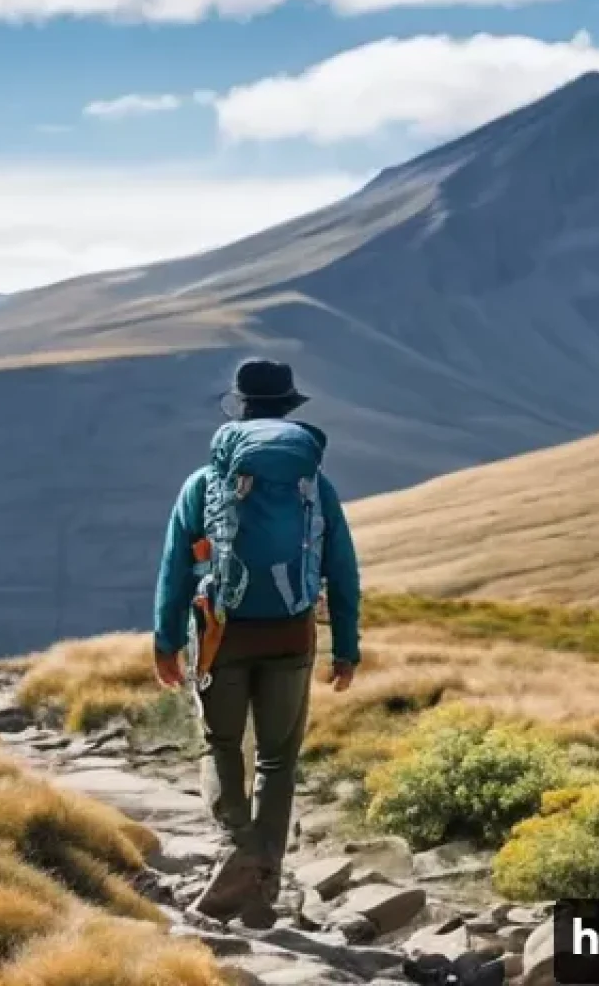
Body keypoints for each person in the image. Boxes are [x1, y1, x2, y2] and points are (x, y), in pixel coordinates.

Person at [152, 358, 361, 927]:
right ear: (289, 412)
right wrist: (346, 649)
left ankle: (239, 848)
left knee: (220, 747)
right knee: (277, 761)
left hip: (222, 633)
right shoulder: (314, 486)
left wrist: (165, 642)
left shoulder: (204, 484)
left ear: (240, 411)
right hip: (292, 634)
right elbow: (342, 570)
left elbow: (176, 568)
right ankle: (262, 877)